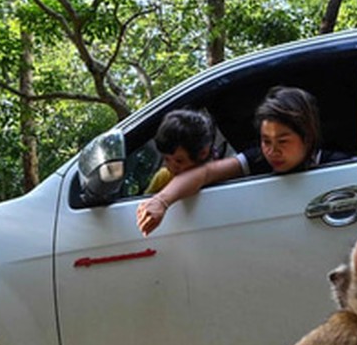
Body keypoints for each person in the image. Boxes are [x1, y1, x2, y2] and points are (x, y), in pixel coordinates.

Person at [136, 86, 342, 236]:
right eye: (265, 140)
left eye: (282, 141)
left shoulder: (337, 167)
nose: (272, 151)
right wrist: (160, 202)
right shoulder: (257, 159)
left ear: (307, 137)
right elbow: (204, 173)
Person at [145, 109, 216, 194]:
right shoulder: (163, 178)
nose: (171, 167)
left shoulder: (216, 177)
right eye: (166, 159)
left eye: (179, 161)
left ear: (202, 153)